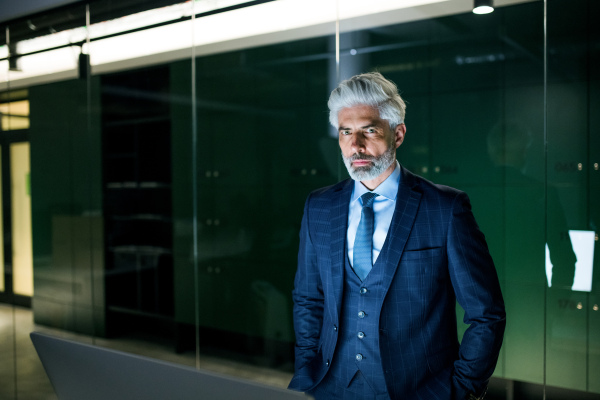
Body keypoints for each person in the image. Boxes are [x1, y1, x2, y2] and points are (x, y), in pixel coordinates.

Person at [288, 72, 506, 400]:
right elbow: (308, 297)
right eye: (346, 132)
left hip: (421, 390)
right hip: (332, 387)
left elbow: (486, 313)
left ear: (398, 133)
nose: (355, 146)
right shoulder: (319, 206)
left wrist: (461, 388)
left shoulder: (445, 208)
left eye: (369, 130)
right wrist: (308, 369)